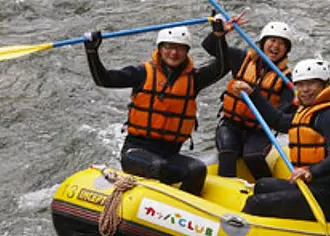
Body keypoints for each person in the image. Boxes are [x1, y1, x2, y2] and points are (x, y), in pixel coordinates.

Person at [84, 23, 228, 196]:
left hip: (170, 153)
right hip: (136, 151)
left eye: (180, 48)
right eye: (169, 47)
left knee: (196, 170)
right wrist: (92, 52)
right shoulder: (142, 73)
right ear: (160, 49)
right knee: (158, 166)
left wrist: (219, 36)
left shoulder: (194, 79)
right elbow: (104, 79)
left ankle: (180, 213)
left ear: (186, 51)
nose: (174, 53)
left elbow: (223, 66)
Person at [239, 58, 330, 222]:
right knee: (262, 185)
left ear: (324, 84)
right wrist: (252, 93)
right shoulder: (309, 112)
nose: (305, 90)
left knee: (255, 203)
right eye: (300, 85)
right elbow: (278, 121)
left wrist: (311, 171)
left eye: (311, 84)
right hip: (312, 187)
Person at [206, 18, 295, 180]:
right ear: (262, 43)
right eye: (272, 40)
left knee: (253, 156)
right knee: (227, 150)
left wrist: (254, 95)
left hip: (259, 131)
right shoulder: (240, 59)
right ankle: (227, 188)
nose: (276, 46)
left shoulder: (287, 80)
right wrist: (219, 33)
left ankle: (269, 188)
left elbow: (281, 120)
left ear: (286, 50)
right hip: (231, 124)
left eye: (282, 43)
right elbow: (211, 47)